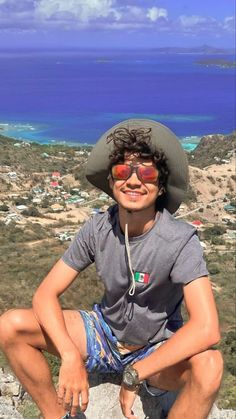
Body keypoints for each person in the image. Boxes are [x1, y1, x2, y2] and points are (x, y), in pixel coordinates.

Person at [0, 119, 223, 419]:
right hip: (102, 333)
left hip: (156, 346)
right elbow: (45, 295)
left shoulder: (180, 241)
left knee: (210, 366)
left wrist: (135, 373)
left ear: (160, 186)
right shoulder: (98, 228)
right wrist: (68, 355)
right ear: (111, 181)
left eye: (146, 171)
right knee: (10, 326)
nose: (133, 180)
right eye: (122, 171)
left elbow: (206, 328)